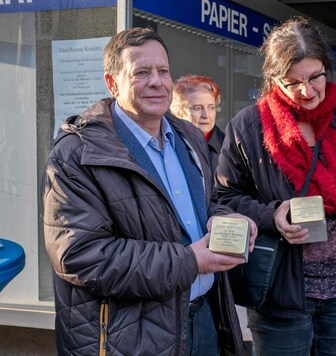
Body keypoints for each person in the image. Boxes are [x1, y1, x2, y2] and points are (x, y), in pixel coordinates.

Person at [41, 27, 257, 356]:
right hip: (130, 337)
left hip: (204, 321)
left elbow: (207, 204)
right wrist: (190, 261)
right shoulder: (77, 153)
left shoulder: (189, 137)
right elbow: (81, 257)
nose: (156, 81)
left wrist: (227, 221)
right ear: (112, 83)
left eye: (163, 71)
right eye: (141, 72)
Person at [214, 17, 336, 356]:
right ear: (273, 80)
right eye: (292, 83)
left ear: (328, 68)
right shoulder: (248, 126)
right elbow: (223, 198)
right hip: (279, 293)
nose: (307, 91)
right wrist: (273, 214)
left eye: (316, 77)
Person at [171, 74, 225, 173]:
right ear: (179, 111)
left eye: (211, 107)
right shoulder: (168, 143)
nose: (206, 115)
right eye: (198, 108)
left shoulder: (229, 147)